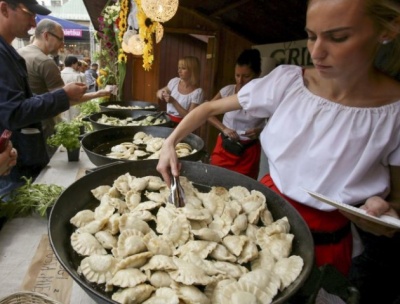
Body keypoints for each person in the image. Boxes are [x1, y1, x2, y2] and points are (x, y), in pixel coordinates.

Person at [156, 0, 400, 302]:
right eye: (312, 36)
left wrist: (384, 213)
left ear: (387, 30)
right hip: (257, 214)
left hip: (326, 242)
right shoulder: (288, 82)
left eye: (338, 37)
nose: (317, 52)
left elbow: (396, 200)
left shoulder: (395, 112)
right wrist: (169, 144)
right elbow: (208, 107)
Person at [0, 0, 88, 196]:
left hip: (18, 157)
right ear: (4, 8)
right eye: (29, 14)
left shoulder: (11, 53)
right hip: (12, 167)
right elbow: (14, 112)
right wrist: (62, 95)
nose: (33, 23)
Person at [17, 19, 111, 155]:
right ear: (46, 35)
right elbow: (66, 100)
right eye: (60, 39)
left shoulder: (18, 53)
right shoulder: (45, 62)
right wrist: (97, 94)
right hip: (43, 129)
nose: (62, 44)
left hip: (21, 130)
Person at [207, 49, 265, 179]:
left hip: (248, 153)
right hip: (225, 147)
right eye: (237, 75)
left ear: (258, 74)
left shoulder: (265, 96)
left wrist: (261, 130)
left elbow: (278, 121)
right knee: (215, 181)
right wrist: (224, 128)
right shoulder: (227, 91)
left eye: (246, 76)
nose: (240, 81)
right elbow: (207, 113)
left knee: (244, 189)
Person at [156, 56, 204, 125]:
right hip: (166, 121)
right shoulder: (174, 81)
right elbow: (159, 92)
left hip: (182, 126)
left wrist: (174, 101)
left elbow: (189, 118)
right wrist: (162, 93)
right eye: (179, 68)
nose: (179, 71)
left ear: (192, 71)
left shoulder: (198, 92)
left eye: (183, 68)